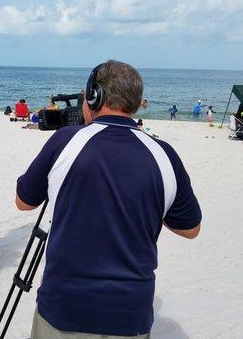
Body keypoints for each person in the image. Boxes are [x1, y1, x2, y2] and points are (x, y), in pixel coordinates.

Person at [16, 60, 202, 338]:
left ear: (94, 97)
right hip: (130, 313)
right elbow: (190, 228)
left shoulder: (66, 140)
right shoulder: (163, 154)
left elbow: (23, 201)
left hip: (65, 306)